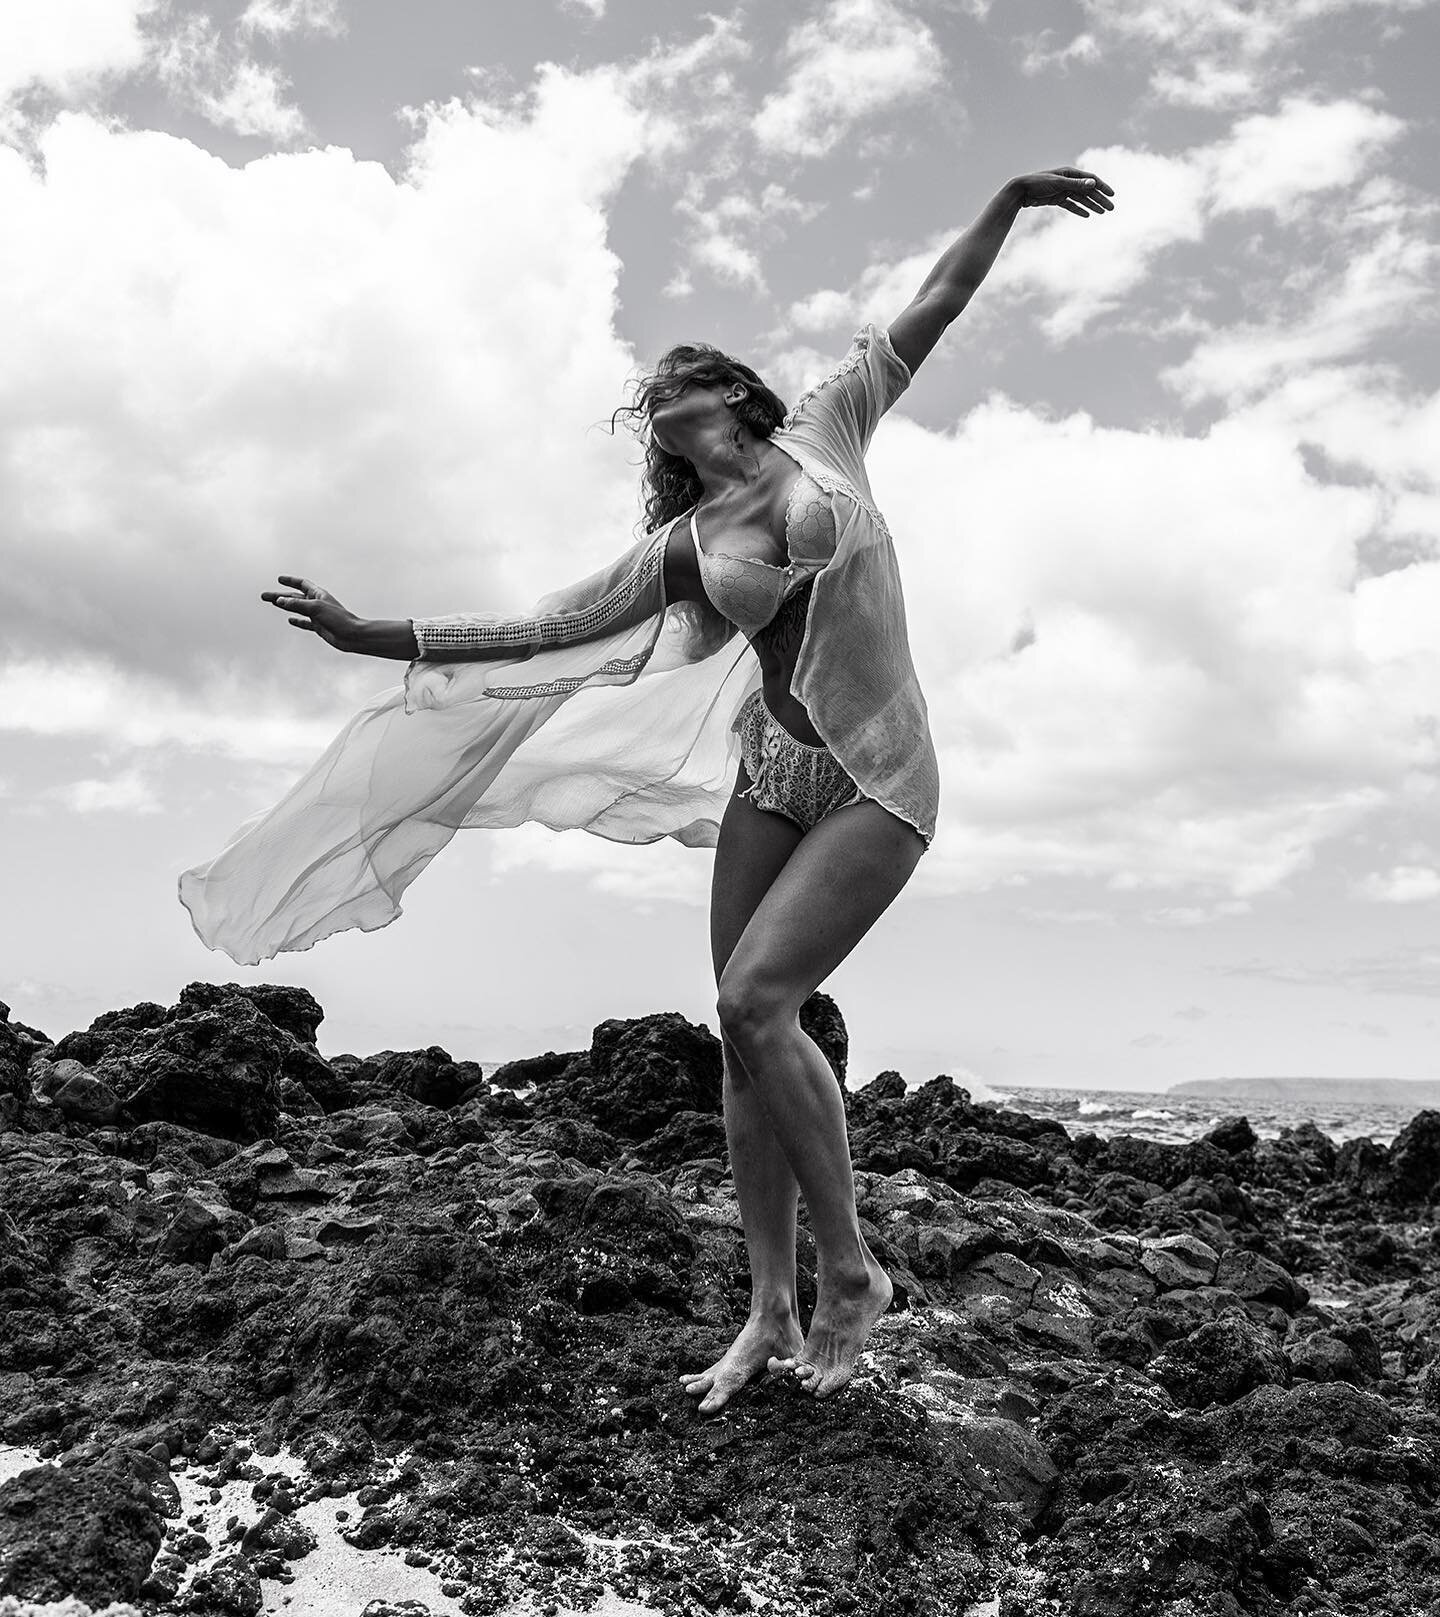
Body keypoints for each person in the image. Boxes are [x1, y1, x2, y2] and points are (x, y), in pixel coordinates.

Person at [180, 167, 1115, 1405]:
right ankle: (767, 1312)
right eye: (645, 390)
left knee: (759, 998)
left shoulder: (831, 427)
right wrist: (374, 635)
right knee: (740, 1037)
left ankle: (852, 1275)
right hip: (773, 775)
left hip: (878, 778)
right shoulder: (681, 545)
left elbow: (935, 304)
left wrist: (1001, 196)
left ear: (730, 390)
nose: (654, 391)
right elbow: (535, 628)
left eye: (679, 374)